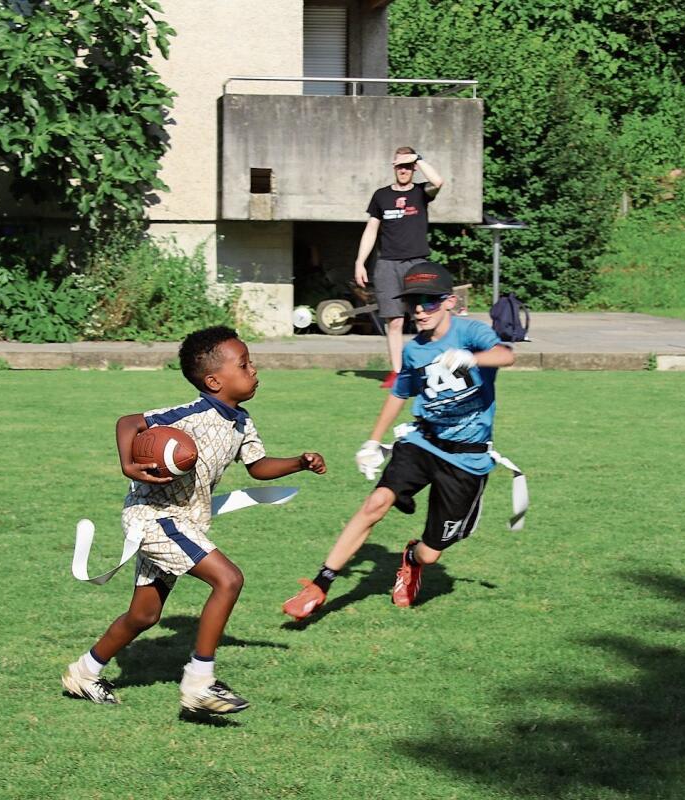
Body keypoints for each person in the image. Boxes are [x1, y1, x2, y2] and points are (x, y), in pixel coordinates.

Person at [63, 326, 326, 714]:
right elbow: (128, 422)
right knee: (229, 579)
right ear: (214, 380)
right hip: (156, 517)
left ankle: (82, 673)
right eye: (244, 364)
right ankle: (199, 683)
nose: (254, 369)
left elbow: (257, 466)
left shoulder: (241, 421)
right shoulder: (192, 416)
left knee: (144, 615)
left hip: (184, 520)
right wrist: (129, 465)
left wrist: (298, 464)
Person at [283, 262, 514, 621]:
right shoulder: (413, 351)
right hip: (424, 442)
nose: (420, 309)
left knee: (431, 553)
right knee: (376, 501)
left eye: (430, 301)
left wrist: (472, 358)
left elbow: (506, 355)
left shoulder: (471, 333)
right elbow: (398, 394)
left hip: (467, 459)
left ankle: (410, 559)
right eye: (413, 303)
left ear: (450, 302)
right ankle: (320, 584)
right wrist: (372, 442)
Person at [355, 146, 444, 388]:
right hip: (387, 264)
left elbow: (438, 180)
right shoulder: (381, 196)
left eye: (408, 166)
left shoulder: (421, 192)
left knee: (423, 316)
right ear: (393, 167)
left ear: (414, 168)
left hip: (417, 263)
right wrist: (359, 262)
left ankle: (424, 368)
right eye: (399, 166)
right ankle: (397, 373)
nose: (403, 170)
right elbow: (371, 229)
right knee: (393, 320)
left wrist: (419, 158)